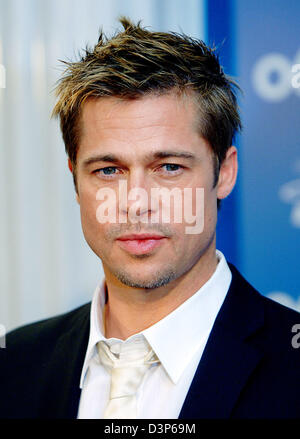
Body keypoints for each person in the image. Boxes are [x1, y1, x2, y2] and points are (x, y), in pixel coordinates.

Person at [1, 17, 300, 420]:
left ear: (224, 173)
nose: (136, 202)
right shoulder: (14, 363)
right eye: (109, 170)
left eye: (169, 167)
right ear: (75, 180)